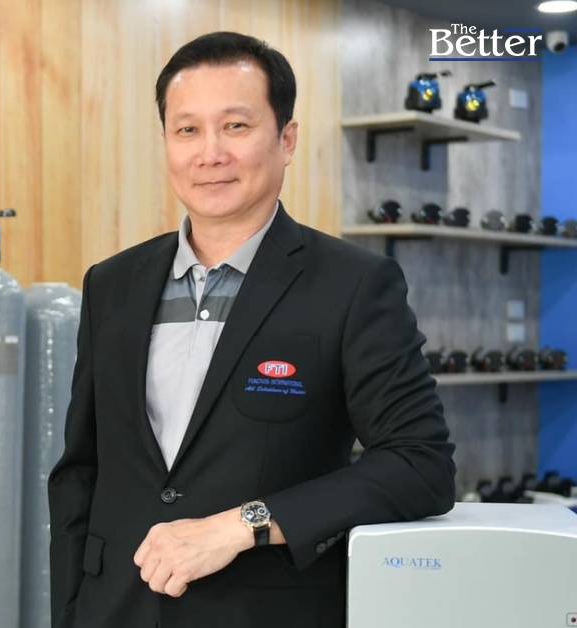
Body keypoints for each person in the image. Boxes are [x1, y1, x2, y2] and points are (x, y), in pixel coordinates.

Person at [47, 31, 456, 628]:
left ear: (286, 139)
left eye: (235, 126)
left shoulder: (353, 285)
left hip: (263, 610)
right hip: (115, 609)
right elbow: (80, 472)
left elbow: (420, 464)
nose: (210, 153)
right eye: (187, 130)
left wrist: (245, 524)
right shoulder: (112, 284)